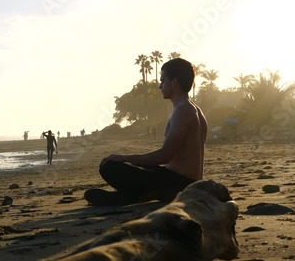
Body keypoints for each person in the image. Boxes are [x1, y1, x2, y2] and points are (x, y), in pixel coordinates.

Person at [85, 58, 208, 206]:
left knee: (109, 167)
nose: (159, 86)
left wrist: (123, 158)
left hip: (178, 185)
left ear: (174, 82)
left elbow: (165, 156)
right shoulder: (195, 110)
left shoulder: (183, 110)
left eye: (163, 81)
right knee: (136, 166)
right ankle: (133, 195)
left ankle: (134, 195)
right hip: (185, 182)